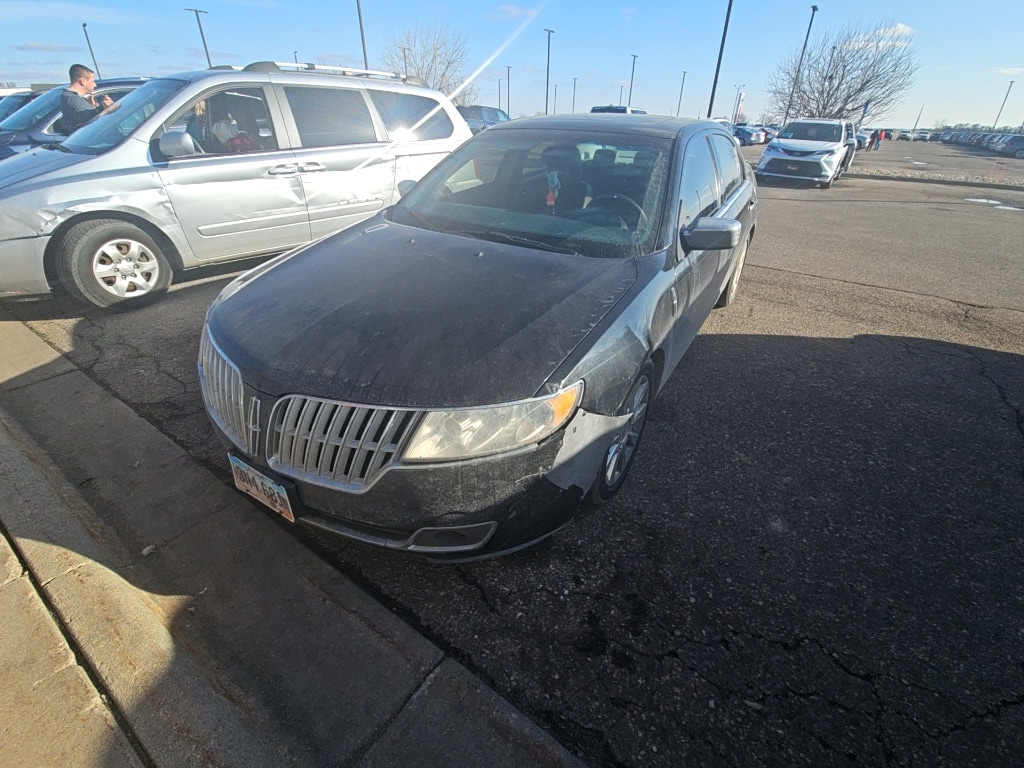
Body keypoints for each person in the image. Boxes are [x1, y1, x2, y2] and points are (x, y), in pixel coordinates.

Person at [59, 64, 119, 133]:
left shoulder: (69, 97)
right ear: (83, 81)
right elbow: (88, 120)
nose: (95, 85)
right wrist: (103, 107)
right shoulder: (73, 98)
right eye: (92, 81)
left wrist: (92, 108)